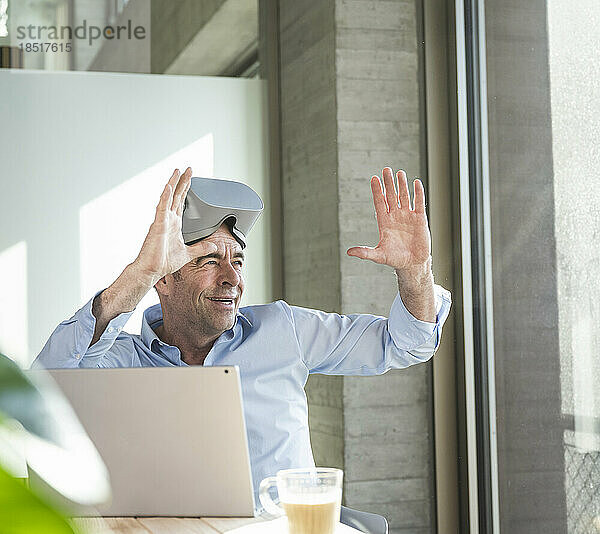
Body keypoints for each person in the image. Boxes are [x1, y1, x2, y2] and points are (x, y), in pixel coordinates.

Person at [33, 166, 451, 499]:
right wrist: (138, 274)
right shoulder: (118, 359)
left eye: (238, 260)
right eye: (209, 261)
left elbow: (405, 344)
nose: (231, 277)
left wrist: (416, 273)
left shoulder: (284, 330)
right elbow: (44, 384)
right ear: (163, 280)